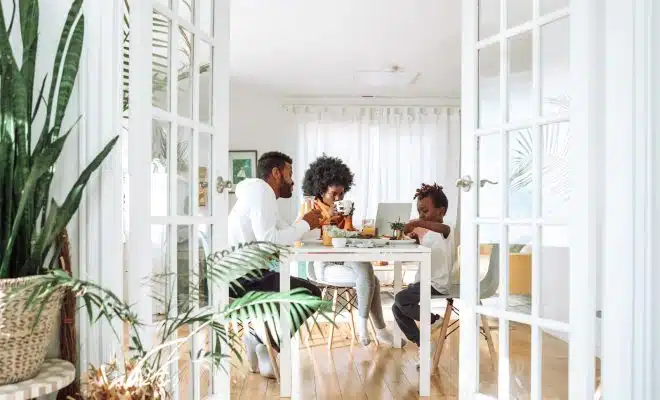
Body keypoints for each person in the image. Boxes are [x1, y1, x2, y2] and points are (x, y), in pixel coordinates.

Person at [228, 151, 323, 378]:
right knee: (311, 294)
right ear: (276, 173)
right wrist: (305, 225)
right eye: (290, 173)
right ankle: (262, 341)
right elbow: (269, 242)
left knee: (303, 290)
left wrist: (307, 224)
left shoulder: (259, 194)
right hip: (242, 279)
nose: (292, 181)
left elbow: (282, 231)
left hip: (243, 274)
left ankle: (260, 341)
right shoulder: (261, 192)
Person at [301, 155, 393, 346]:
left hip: (345, 259)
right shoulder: (310, 208)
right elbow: (304, 237)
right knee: (371, 278)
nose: (338, 198)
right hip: (323, 265)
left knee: (367, 272)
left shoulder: (342, 208)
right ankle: (371, 330)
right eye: (334, 194)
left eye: (341, 194)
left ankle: (369, 329)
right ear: (320, 189)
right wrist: (326, 218)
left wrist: (349, 219)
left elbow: (348, 237)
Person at [391, 183, 455, 359]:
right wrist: (416, 239)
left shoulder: (447, 228)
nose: (421, 216)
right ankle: (424, 345)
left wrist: (418, 223)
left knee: (400, 299)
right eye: (419, 212)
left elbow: (443, 230)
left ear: (441, 212)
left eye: (425, 211)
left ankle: (434, 320)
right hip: (423, 282)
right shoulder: (428, 234)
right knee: (396, 308)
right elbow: (427, 253)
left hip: (437, 284)